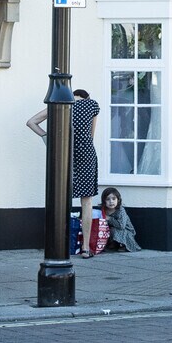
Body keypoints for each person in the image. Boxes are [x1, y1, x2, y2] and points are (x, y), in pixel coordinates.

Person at [28, 88, 103, 256]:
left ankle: (60, 245)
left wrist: (48, 137)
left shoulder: (60, 105)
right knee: (87, 201)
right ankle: (85, 248)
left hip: (64, 152)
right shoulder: (92, 105)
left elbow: (31, 122)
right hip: (85, 154)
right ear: (86, 97)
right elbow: (91, 135)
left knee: (61, 198)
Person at [100, 186, 141, 253]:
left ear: (118, 200)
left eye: (113, 199)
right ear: (104, 201)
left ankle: (123, 244)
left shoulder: (120, 210)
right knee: (106, 230)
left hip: (126, 231)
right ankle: (113, 243)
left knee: (113, 230)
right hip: (112, 229)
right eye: (108, 199)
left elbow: (121, 226)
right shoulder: (104, 210)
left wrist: (110, 218)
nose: (111, 202)